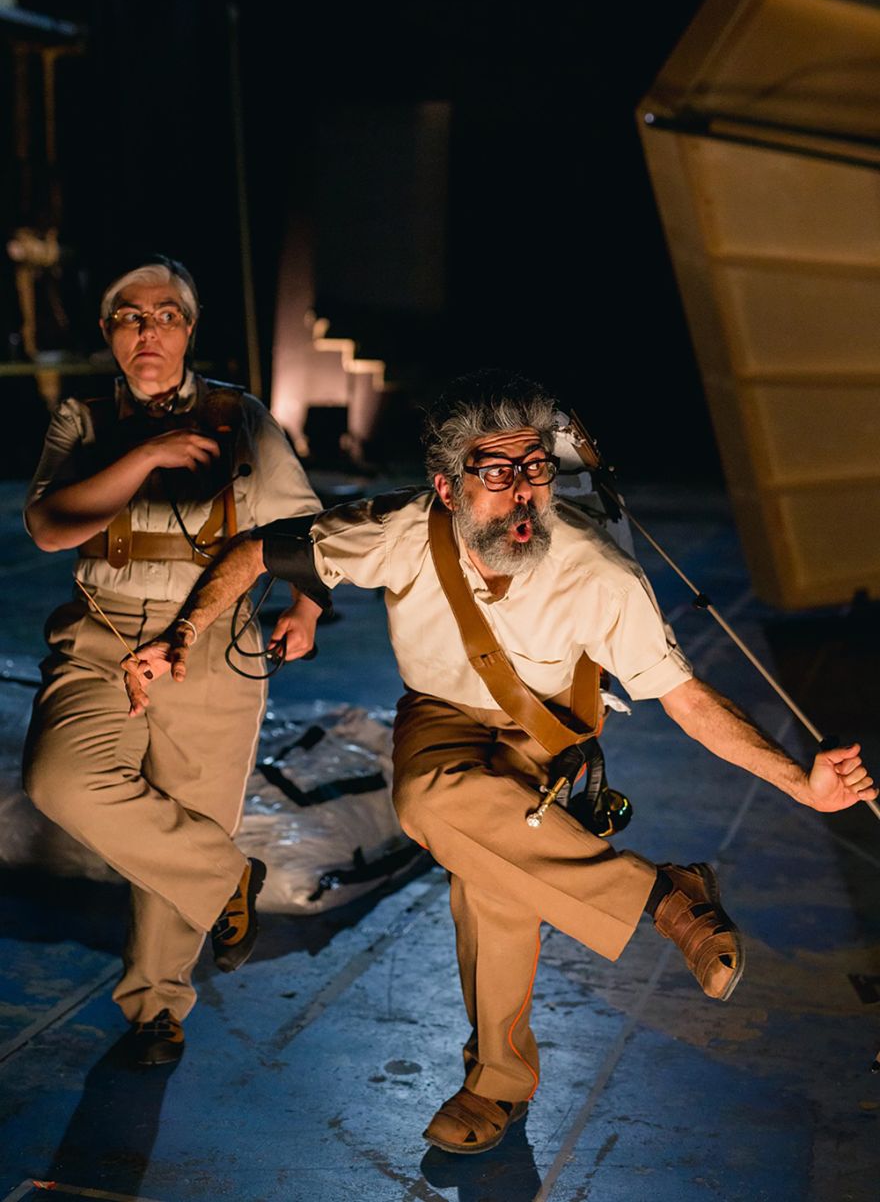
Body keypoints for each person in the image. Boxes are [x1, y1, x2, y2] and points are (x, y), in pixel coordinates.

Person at [123, 370, 876, 1147]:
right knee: (427, 798)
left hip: (548, 736)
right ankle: (665, 898)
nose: (523, 493)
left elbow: (688, 701)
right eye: (496, 473)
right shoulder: (401, 532)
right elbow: (259, 551)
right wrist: (185, 633)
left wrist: (802, 784)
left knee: (494, 882)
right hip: (441, 719)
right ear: (447, 488)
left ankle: (497, 1086)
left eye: (536, 469)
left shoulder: (598, 574)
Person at [23, 256, 321, 1066]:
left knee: (194, 807)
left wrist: (306, 607)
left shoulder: (240, 416)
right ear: (108, 331)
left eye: (166, 315)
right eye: (130, 316)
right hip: (102, 632)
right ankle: (225, 877)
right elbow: (50, 526)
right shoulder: (83, 421)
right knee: (60, 779)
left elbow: (302, 525)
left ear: (189, 329)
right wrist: (150, 454)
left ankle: (156, 1006)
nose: (147, 331)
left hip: (213, 636)